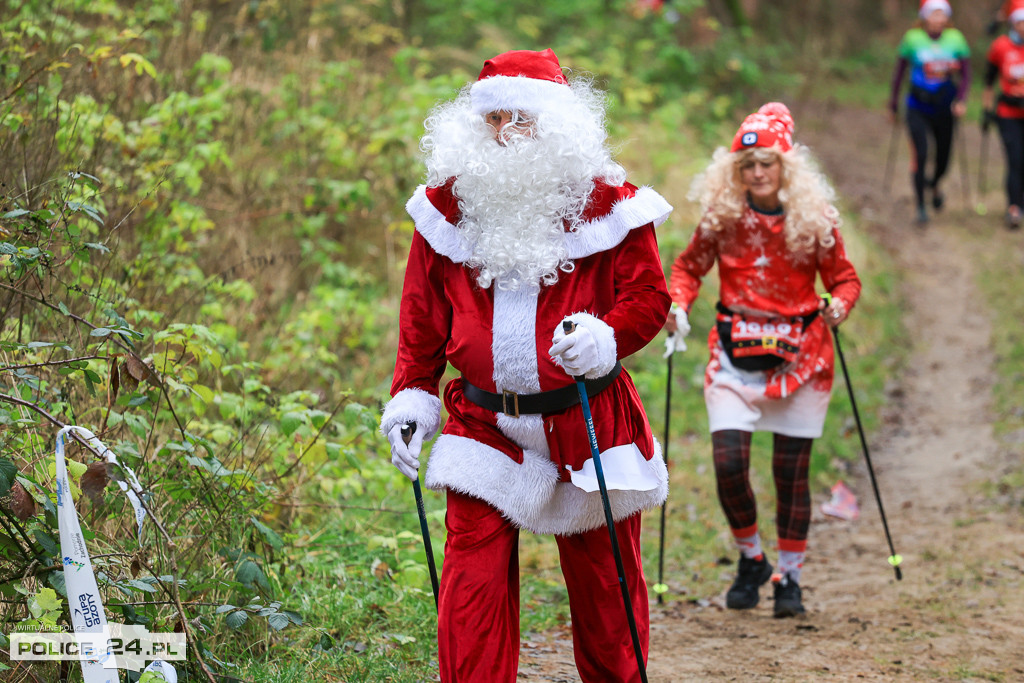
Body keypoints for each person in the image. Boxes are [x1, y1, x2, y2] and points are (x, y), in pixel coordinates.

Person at [380, 48, 672, 682]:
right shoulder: (445, 208)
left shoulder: (610, 203)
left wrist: (607, 336)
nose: (509, 133)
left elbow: (648, 295)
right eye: (496, 119)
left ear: (559, 126)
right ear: (475, 127)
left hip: (587, 416)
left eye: (526, 119)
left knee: (606, 589)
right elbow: (422, 316)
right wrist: (413, 396)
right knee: (470, 585)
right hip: (482, 422)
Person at [665, 102, 862, 618]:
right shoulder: (723, 218)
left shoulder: (816, 219)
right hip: (734, 353)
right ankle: (751, 557)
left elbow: (844, 278)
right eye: (746, 166)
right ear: (734, 171)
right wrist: (676, 304)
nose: (756, 173)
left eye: (766, 164)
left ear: (785, 167)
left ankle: (789, 578)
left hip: (801, 358)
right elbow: (687, 268)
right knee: (729, 463)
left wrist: (839, 305)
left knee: (789, 475)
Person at [888, 0, 971, 226]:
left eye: (941, 14)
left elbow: (965, 74)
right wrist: (893, 103)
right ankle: (921, 206)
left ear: (946, 18)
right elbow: (899, 72)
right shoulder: (912, 39)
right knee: (921, 154)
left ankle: (934, 184)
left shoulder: (956, 40)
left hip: (945, 106)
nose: (937, 19)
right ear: (925, 17)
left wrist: (961, 100)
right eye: (933, 14)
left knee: (943, 158)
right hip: (917, 106)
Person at [983, 1, 1024, 229]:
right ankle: (1013, 207)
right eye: (1020, 23)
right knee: (1015, 159)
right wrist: (987, 110)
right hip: (1007, 113)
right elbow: (988, 81)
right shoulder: (1001, 47)